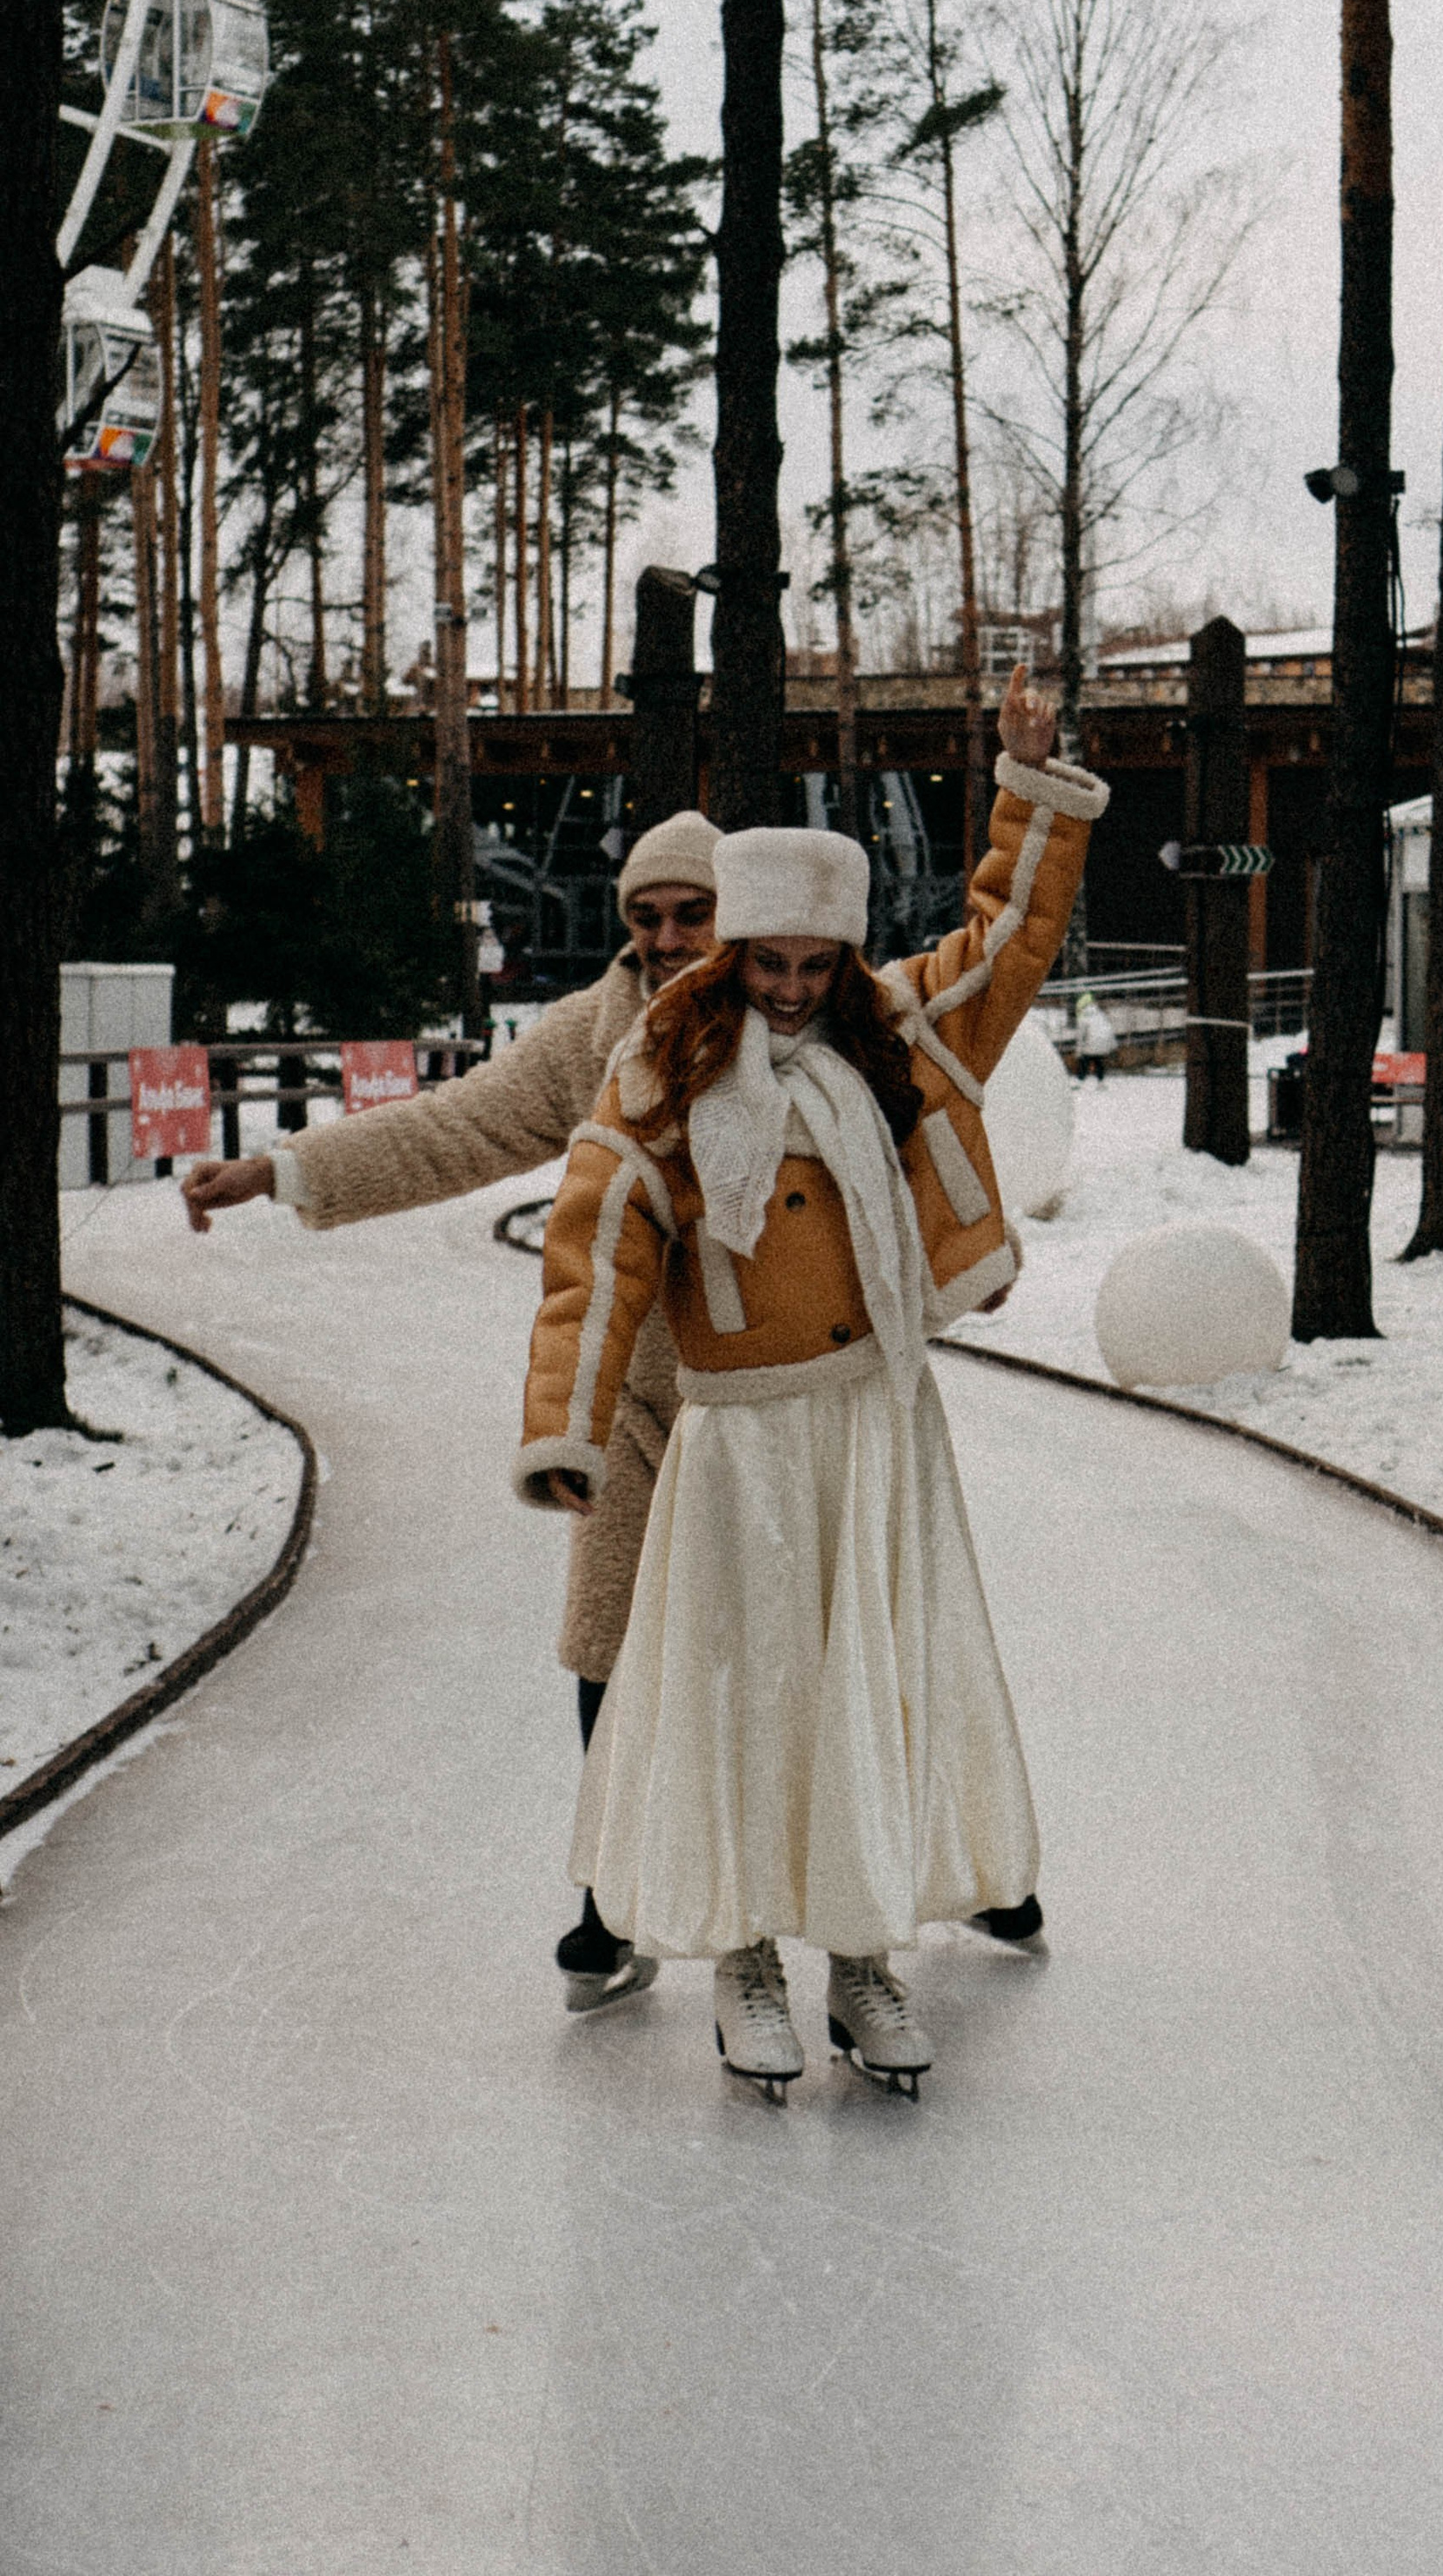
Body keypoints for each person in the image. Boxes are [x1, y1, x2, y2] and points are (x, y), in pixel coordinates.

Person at [516, 669, 1105, 2101]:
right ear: (729, 956)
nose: (787, 990)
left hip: (877, 1425)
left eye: (810, 967)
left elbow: (1008, 942)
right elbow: (593, 1251)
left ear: (842, 958)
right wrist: (567, 1432)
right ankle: (748, 1961)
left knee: (867, 1693)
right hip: (744, 1444)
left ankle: (858, 1955)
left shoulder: (893, 1036)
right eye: (763, 963)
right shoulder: (660, 1073)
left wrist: (1026, 783)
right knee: (752, 1699)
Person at [174, 815, 729, 2008]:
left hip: (769, 1390)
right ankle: (613, 1892)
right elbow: (457, 1127)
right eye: (647, 917)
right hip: (633, 1387)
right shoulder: (591, 1034)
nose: (670, 938)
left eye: (695, 913)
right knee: (606, 1633)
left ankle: (936, 1865)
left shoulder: (796, 1021)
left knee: (830, 1635)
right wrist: (280, 1170)